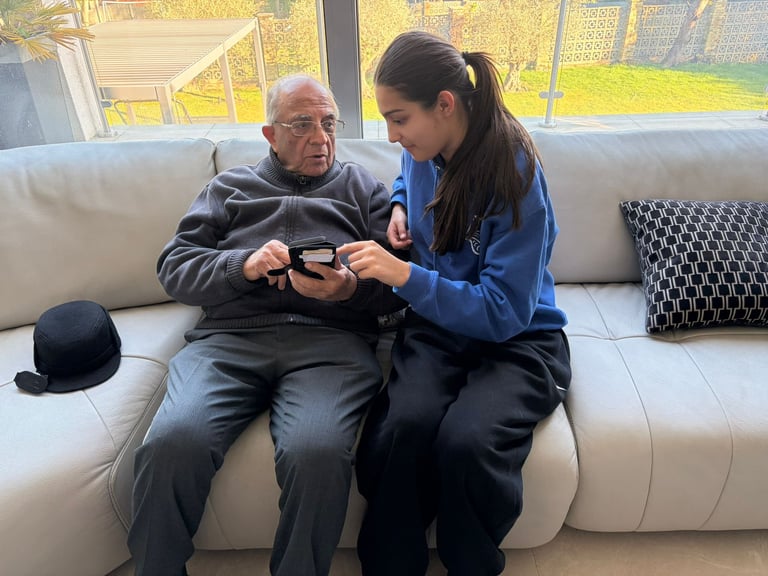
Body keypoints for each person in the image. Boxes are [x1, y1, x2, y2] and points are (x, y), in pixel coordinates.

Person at [127, 74, 403, 576]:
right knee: (171, 442)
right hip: (228, 343)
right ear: (270, 134)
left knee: (317, 452)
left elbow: (399, 284)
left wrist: (348, 288)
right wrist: (243, 265)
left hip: (332, 345)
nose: (320, 138)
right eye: (302, 124)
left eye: (327, 123)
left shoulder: (366, 190)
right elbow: (175, 268)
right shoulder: (229, 187)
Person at [336, 31, 572, 576]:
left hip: (518, 337)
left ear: (445, 104)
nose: (393, 136)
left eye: (399, 119)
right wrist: (399, 205)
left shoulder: (515, 177)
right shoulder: (425, 149)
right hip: (439, 326)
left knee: (467, 443)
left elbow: (502, 312)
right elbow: (407, 177)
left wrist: (405, 275)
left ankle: (472, 565)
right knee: (402, 430)